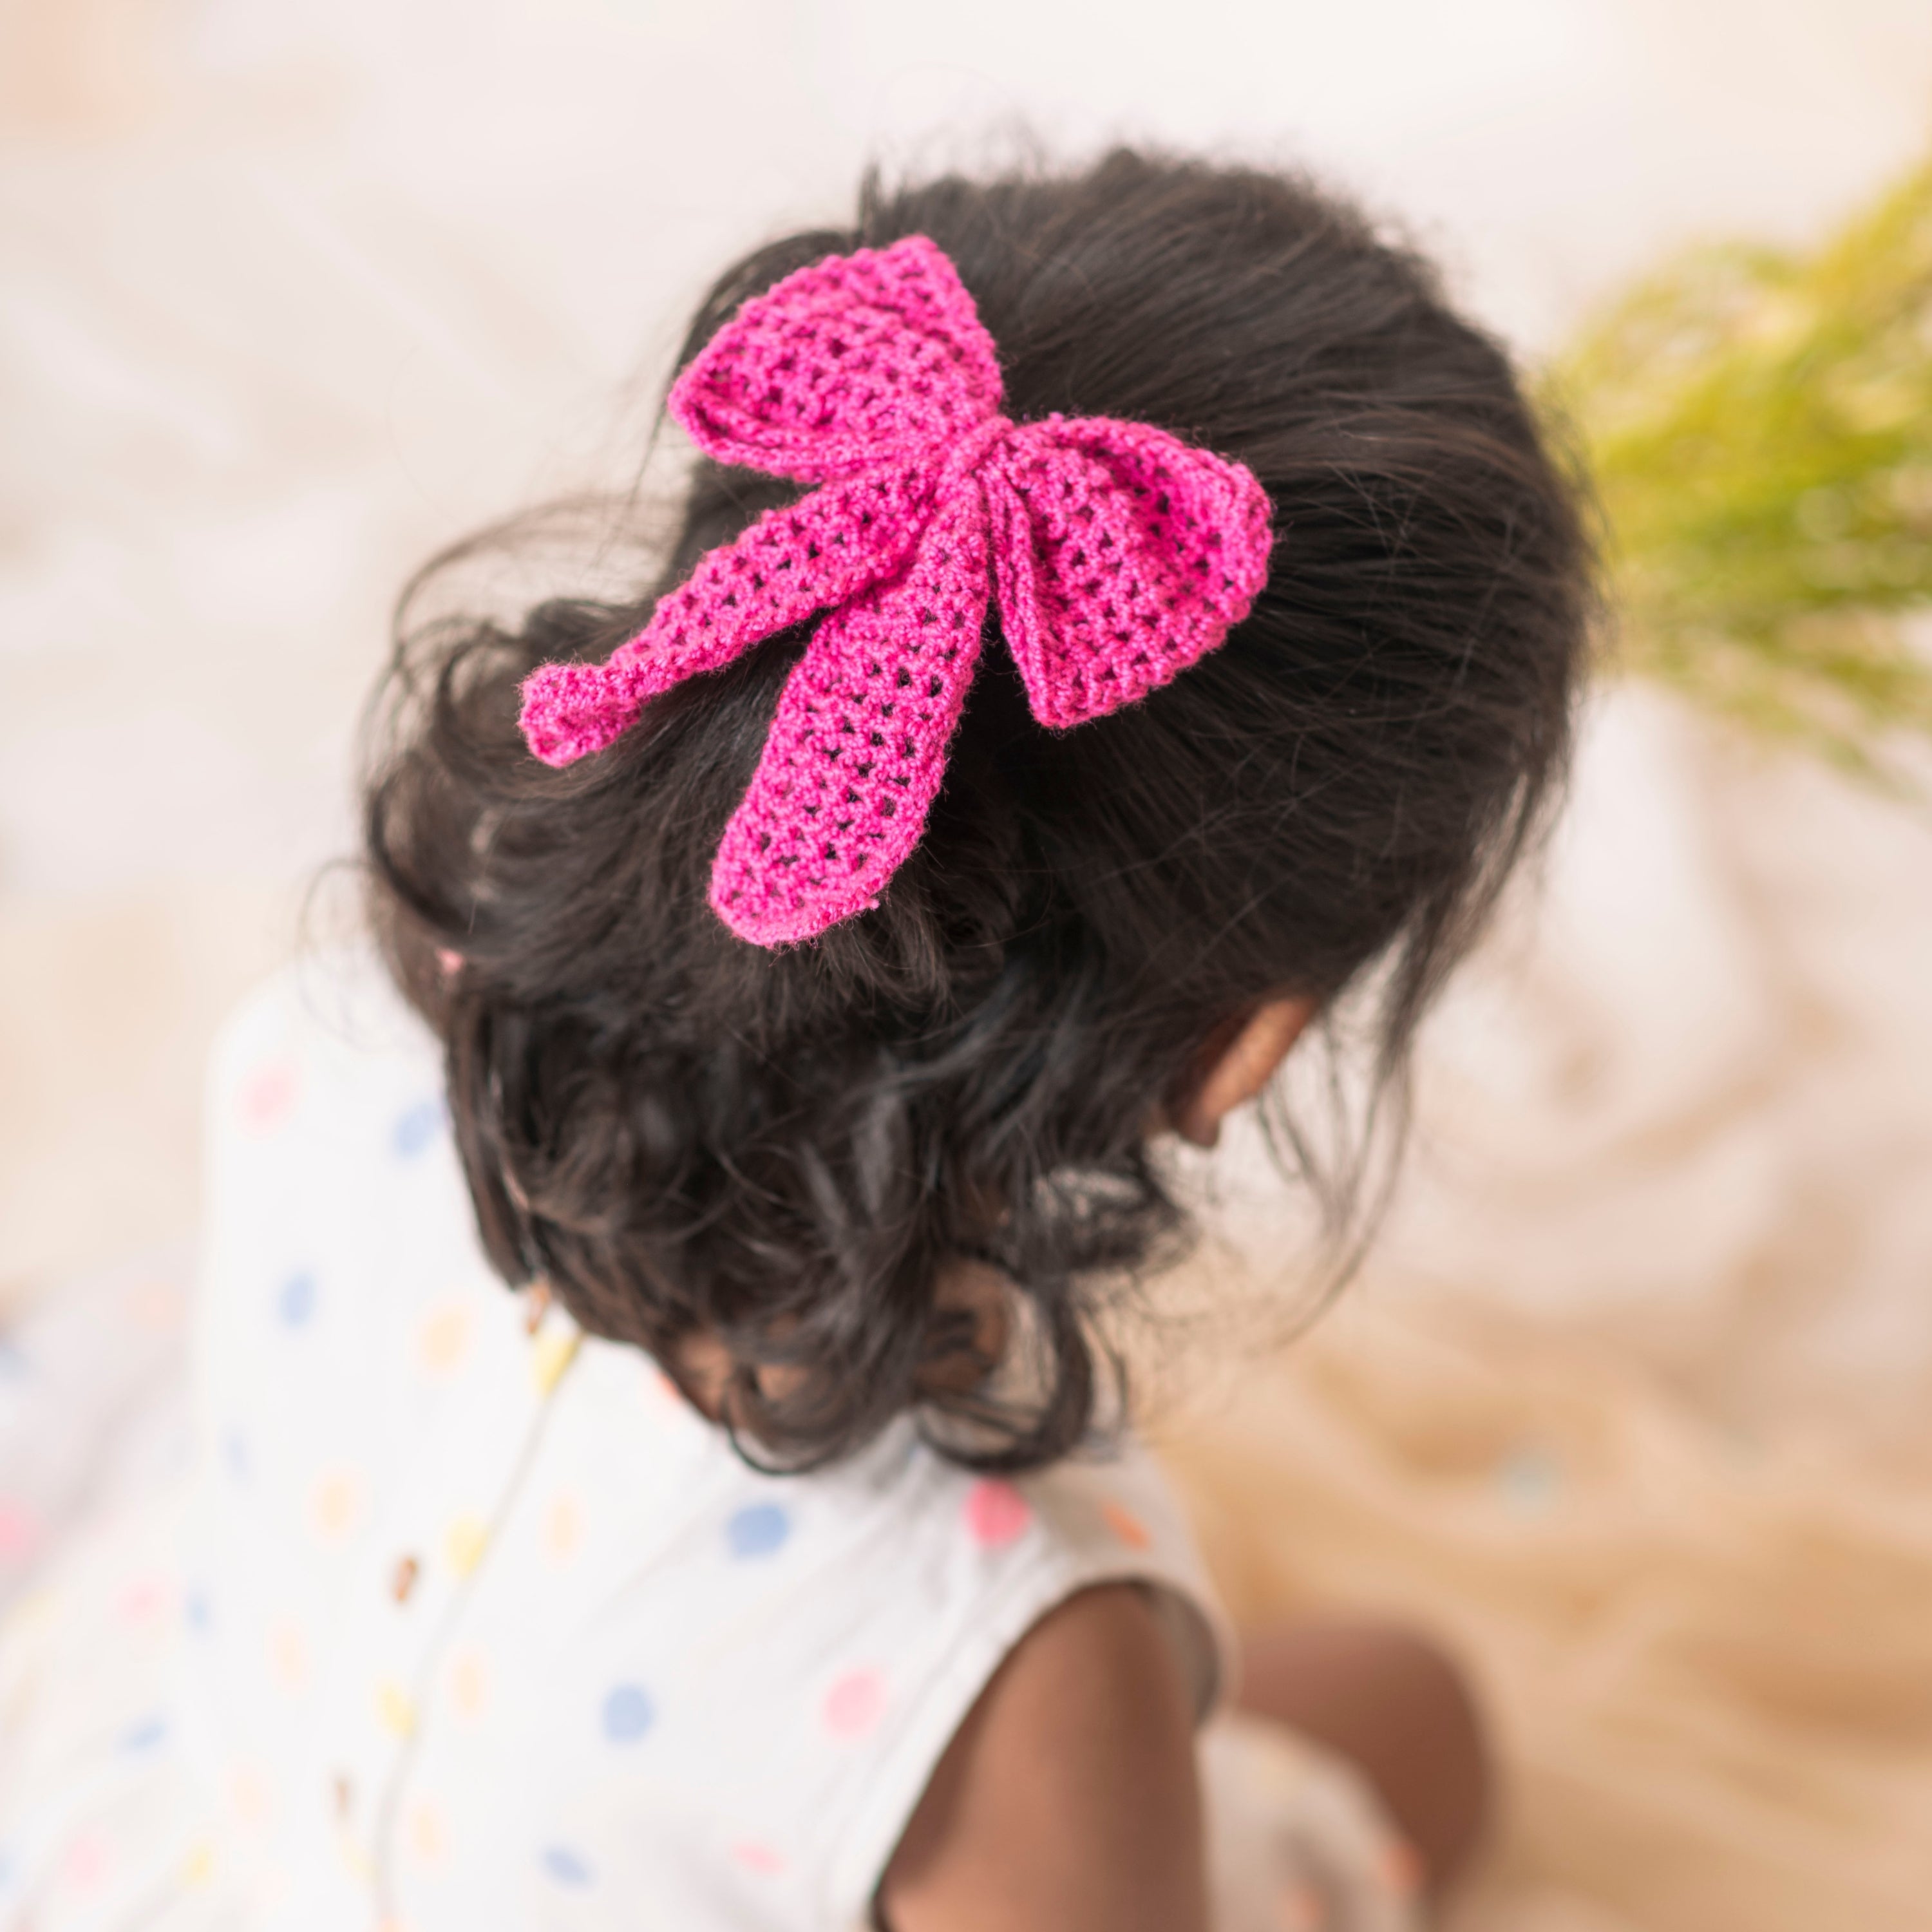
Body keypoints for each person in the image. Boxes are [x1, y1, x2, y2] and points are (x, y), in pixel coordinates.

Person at [0, 147, 1589, 1931]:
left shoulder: (336, 1029)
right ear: (1239, 1047)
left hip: (190, 1817)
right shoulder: (1011, 1655)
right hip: (804, 1773)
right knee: (1414, 1711)